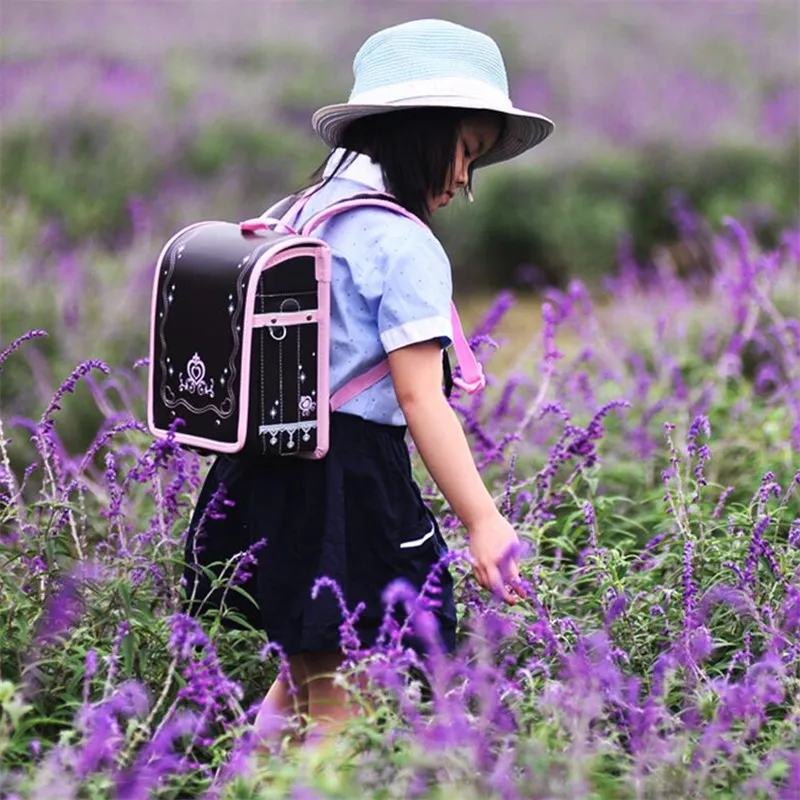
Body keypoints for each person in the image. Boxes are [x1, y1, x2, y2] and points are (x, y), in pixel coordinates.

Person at [183, 18, 554, 744]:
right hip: (346, 487)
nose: (462, 181)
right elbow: (422, 398)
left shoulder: (295, 214)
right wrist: (483, 519)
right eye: (465, 152)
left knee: (304, 679)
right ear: (421, 131)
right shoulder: (402, 241)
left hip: (268, 470)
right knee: (343, 704)